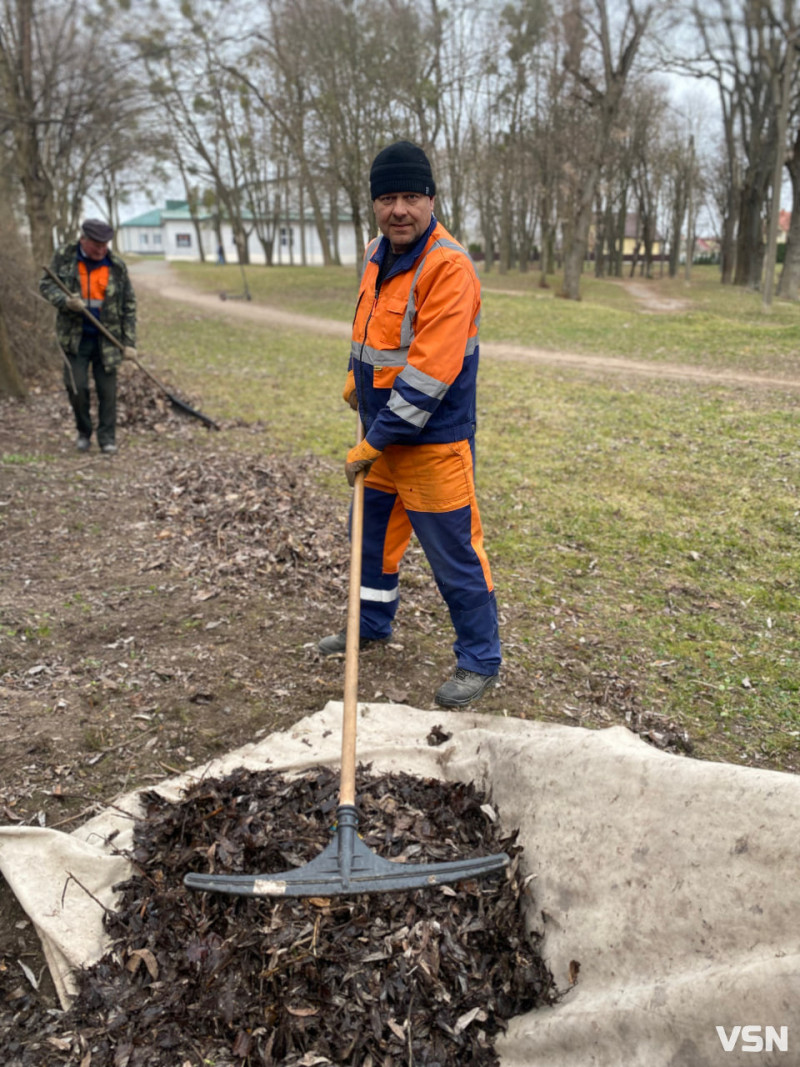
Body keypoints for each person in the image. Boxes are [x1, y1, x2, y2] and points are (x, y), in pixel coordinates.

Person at [318, 141, 501, 707]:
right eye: (388, 198)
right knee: (370, 544)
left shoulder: (448, 267)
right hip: (381, 436)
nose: (399, 209)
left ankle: (480, 660)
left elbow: (428, 374)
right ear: (375, 204)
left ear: (431, 199)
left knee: (454, 556)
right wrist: (356, 377)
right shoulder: (376, 253)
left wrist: (373, 442)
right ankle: (371, 625)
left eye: (411, 197)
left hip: (431, 444)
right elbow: (372, 333)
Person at [39, 218, 137, 454]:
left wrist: (129, 343)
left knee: (107, 392)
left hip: (108, 340)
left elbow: (128, 304)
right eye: (96, 246)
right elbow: (46, 285)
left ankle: (107, 438)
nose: (101, 251)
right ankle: (84, 432)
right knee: (77, 387)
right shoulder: (65, 256)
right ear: (83, 240)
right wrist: (65, 302)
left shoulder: (116, 266)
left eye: (104, 246)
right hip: (75, 339)